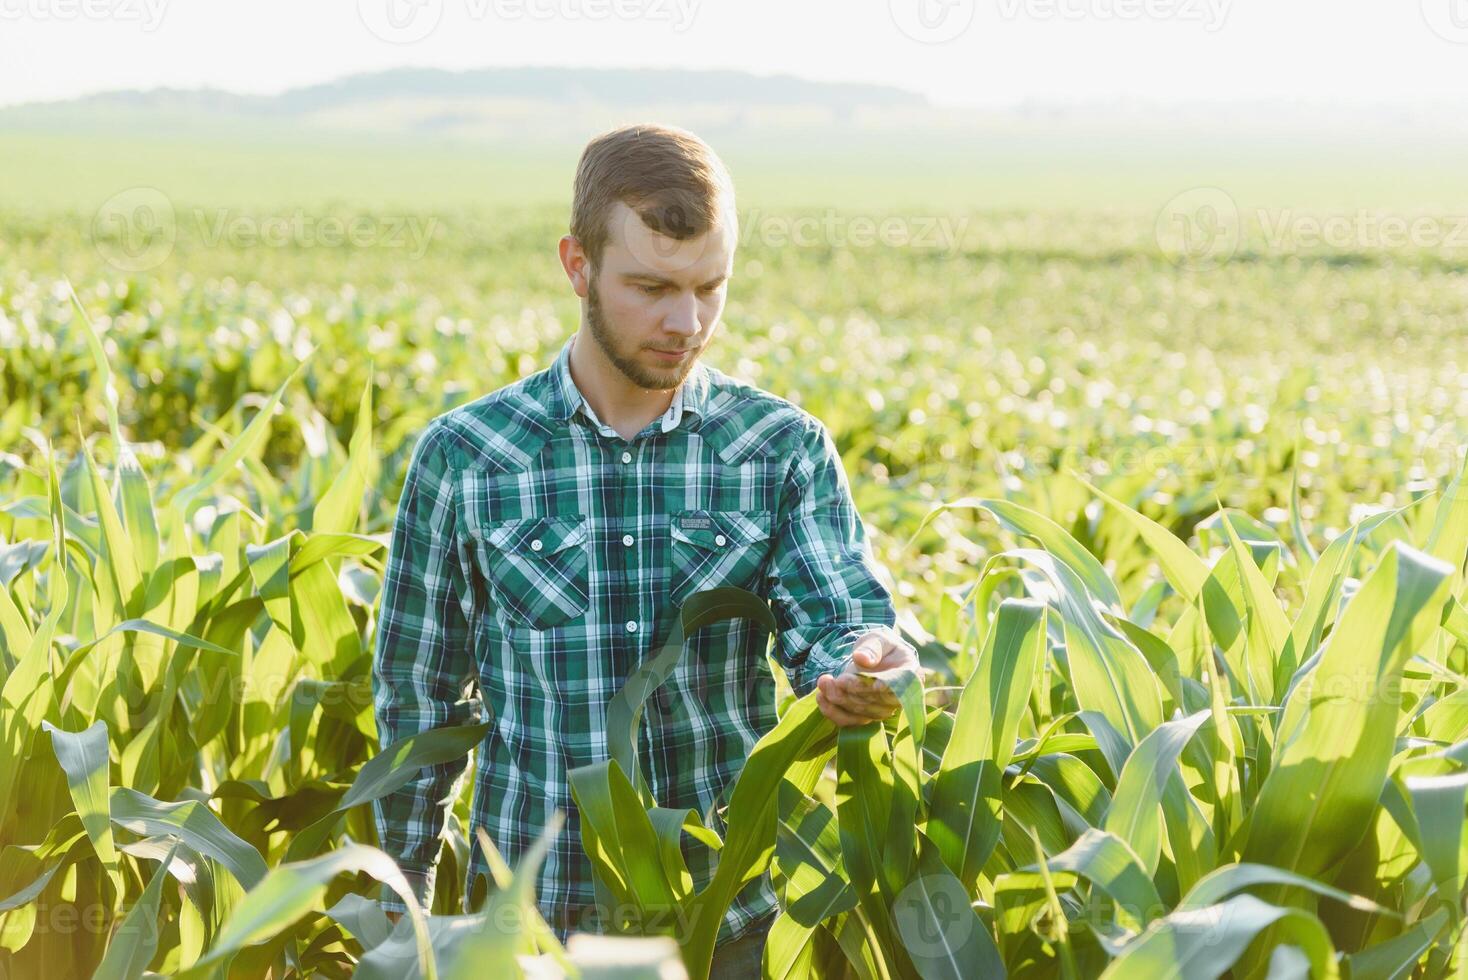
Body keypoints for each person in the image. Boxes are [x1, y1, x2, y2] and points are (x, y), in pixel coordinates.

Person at [371, 122, 918, 977]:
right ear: (577, 265)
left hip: (730, 921)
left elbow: (840, 615)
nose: (686, 320)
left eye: (711, 286)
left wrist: (864, 662)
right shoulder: (467, 457)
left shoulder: (776, 448)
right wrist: (399, 913)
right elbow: (418, 701)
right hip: (531, 930)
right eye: (652, 286)